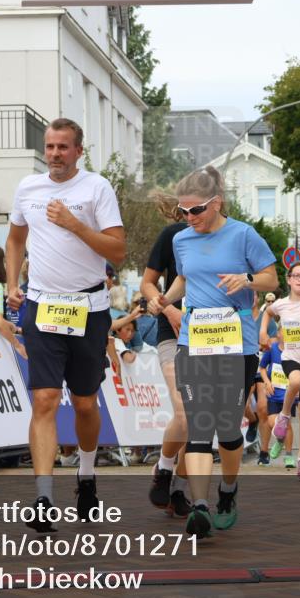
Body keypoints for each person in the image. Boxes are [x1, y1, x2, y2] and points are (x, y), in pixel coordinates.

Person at [5, 118, 125, 532]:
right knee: (45, 400)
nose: (55, 154)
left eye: (63, 147)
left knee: (86, 402)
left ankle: (87, 474)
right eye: (50, 147)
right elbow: (15, 238)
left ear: (78, 150)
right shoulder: (28, 187)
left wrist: (75, 225)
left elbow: (118, 249)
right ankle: (42, 495)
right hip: (42, 306)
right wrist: (11, 281)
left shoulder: (97, 188)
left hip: (88, 308)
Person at [156, 166, 277, 538]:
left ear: (217, 203)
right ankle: (201, 506)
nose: (188, 219)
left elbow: (273, 277)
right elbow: (185, 276)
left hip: (235, 343)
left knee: (227, 429)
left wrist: (248, 279)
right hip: (194, 342)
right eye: (182, 212)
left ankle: (227, 489)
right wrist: (166, 299)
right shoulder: (182, 240)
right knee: (198, 425)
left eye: (195, 211)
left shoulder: (244, 235)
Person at [141, 195, 193, 517]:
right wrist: (170, 310)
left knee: (201, 421)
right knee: (185, 412)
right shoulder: (172, 235)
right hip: (171, 332)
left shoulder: (230, 236)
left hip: (212, 335)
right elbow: (149, 283)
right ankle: (163, 467)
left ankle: (179, 488)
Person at [260, 261, 300, 480]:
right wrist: (263, 333)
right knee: (295, 381)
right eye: (296, 275)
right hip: (291, 357)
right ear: (288, 279)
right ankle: (284, 416)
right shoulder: (281, 304)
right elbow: (267, 313)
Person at [258, 327, 298, 472]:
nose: (287, 335)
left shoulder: (295, 351)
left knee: (287, 424)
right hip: (274, 393)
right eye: (284, 331)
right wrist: (267, 382)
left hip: (289, 394)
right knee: (271, 421)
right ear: (279, 334)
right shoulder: (272, 349)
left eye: (290, 331)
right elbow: (262, 368)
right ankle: (280, 440)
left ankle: (288, 456)